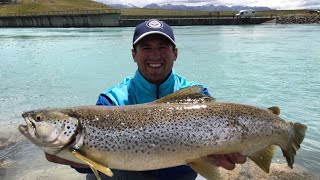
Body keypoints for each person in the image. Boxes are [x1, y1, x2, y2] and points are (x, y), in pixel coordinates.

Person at [45, 19, 246, 180]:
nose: (155, 55)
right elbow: (92, 164)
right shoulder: (112, 101)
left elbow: (217, 144)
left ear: (175, 53)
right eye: (146, 47)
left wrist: (225, 151)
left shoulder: (196, 95)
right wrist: (73, 159)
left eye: (163, 47)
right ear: (134, 54)